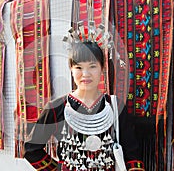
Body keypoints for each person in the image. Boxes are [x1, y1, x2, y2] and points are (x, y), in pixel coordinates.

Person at [24, 28, 145, 170]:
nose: (85, 74)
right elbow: (31, 150)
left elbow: (132, 154)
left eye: (92, 66)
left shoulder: (114, 106)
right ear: (71, 68)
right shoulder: (57, 108)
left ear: (102, 68)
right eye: (79, 67)